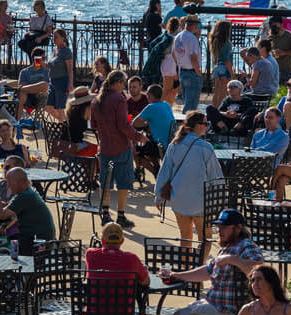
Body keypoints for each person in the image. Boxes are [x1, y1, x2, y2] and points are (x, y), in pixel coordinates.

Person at [165, 209, 264, 315]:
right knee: (194, 310)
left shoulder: (246, 246)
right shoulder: (227, 248)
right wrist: (177, 275)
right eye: (219, 226)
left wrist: (232, 260)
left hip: (235, 314)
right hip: (221, 309)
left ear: (238, 228)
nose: (220, 230)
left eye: (225, 227)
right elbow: (207, 271)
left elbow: (259, 269)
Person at [154, 111, 224, 243]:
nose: (207, 126)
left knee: (185, 238)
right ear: (196, 126)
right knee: (205, 240)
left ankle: (187, 264)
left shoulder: (174, 145)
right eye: (205, 123)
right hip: (201, 202)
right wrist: (221, 201)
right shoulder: (206, 147)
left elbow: (164, 172)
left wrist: (158, 195)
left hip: (179, 199)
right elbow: (216, 176)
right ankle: (200, 263)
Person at [93, 69, 143, 229]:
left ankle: (105, 214)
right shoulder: (119, 99)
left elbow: (93, 125)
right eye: (124, 83)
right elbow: (123, 126)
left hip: (105, 147)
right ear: (120, 82)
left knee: (105, 183)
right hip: (121, 148)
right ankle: (121, 216)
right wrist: (138, 136)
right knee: (123, 183)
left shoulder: (96, 100)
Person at [0, 167, 54, 252]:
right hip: (37, 237)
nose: (9, 186)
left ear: (20, 182)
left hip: (38, 241)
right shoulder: (28, 191)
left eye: (10, 183)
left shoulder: (25, 195)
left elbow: (2, 215)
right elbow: (12, 208)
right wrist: (2, 205)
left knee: (0, 245)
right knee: (5, 240)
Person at [171, 16, 203, 114]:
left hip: (182, 71)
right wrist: (198, 71)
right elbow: (193, 57)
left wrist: (179, 64)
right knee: (191, 104)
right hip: (191, 72)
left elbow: (173, 53)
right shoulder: (192, 38)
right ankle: (186, 124)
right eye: (197, 26)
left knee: (187, 101)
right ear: (194, 26)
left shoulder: (178, 36)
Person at [143, 17, 177, 100]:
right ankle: (163, 103)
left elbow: (152, 44)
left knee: (169, 87)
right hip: (170, 62)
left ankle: (166, 103)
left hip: (164, 61)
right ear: (177, 27)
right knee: (168, 88)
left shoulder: (164, 36)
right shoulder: (172, 38)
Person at [46, 28, 74, 109]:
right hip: (52, 81)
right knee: (48, 107)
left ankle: (63, 121)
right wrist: (40, 63)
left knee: (61, 108)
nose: (53, 39)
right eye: (53, 37)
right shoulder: (55, 50)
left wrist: (70, 85)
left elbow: (70, 70)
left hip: (61, 82)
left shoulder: (66, 51)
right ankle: (62, 121)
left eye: (56, 37)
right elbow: (49, 66)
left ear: (63, 38)